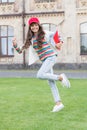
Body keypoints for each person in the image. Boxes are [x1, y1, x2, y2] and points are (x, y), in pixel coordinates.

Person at [13, 17, 71, 112]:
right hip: (45, 60)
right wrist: (15, 45)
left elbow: (58, 35)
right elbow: (20, 50)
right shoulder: (30, 39)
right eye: (32, 26)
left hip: (51, 57)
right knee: (51, 82)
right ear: (30, 27)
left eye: (36, 25)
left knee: (40, 75)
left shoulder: (45, 33)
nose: (34, 27)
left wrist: (60, 43)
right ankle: (58, 103)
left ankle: (60, 77)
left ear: (38, 26)